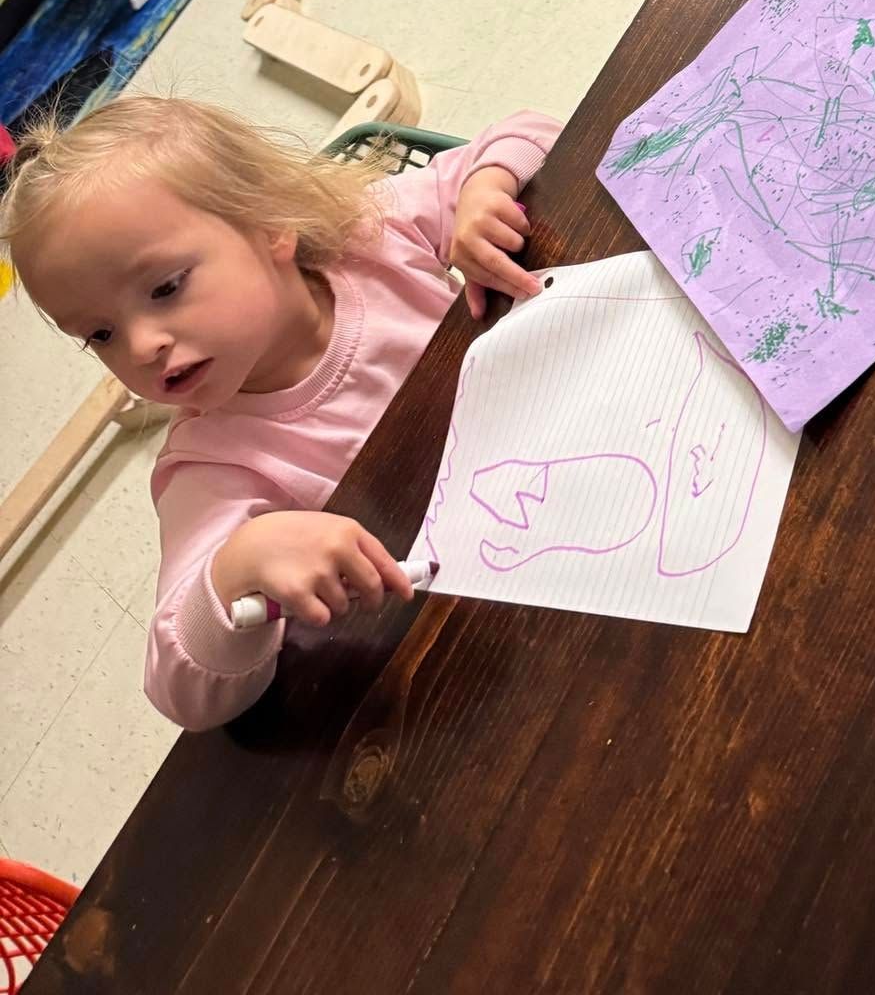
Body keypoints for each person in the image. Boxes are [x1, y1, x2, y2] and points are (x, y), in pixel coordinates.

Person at [1, 95, 557, 731]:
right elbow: (182, 691)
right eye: (100, 334)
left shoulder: (370, 237)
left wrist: (486, 190)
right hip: (493, 605)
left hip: (572, 432)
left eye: (164, 288)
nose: (141, 345)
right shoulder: (212, 466)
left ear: (269, 227)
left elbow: (534, 130)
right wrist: (233, 570)